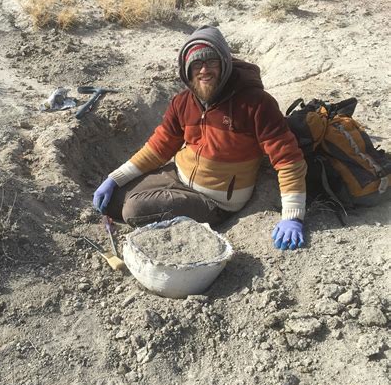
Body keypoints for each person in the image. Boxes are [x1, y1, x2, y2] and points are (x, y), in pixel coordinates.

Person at [93, 25, 307, 250]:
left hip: (216, 201)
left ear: (225, 62)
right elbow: (159, 147)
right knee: (113, 200)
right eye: (197, 64)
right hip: (179, 175)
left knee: (133, 210)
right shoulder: (183, 102)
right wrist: (114, 179)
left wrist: (292, 216)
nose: (204, 70)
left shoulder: (257, 104)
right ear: (186, 69)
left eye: (211, 62)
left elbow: (289, 160)